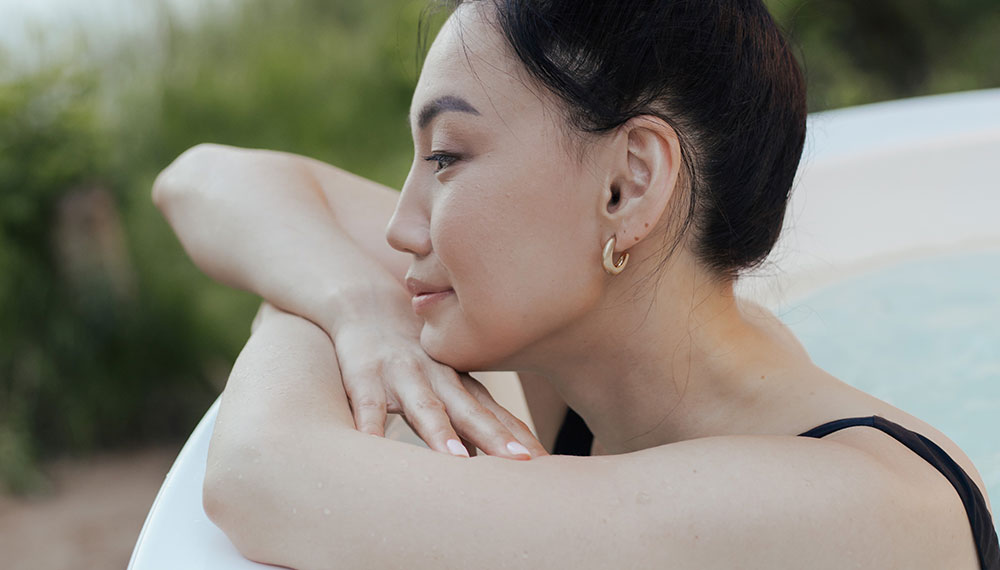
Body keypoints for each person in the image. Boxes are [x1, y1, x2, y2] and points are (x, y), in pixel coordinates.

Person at [152, 0, 999, 568]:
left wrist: (301, 298)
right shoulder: (600, 366)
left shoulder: (855, 507)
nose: (401, 230)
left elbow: (263, 476)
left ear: (627, 185)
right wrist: (354, 304)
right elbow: (206, 181)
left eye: (447, 157)